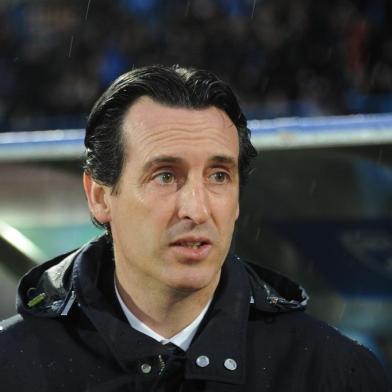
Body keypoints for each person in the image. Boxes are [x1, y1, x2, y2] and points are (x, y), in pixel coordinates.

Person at [0, 65, 390, 392]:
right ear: (100, 196)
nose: (197, 209)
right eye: (166, 176)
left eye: (219, 176)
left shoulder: (334, 373)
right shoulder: (13, 368)